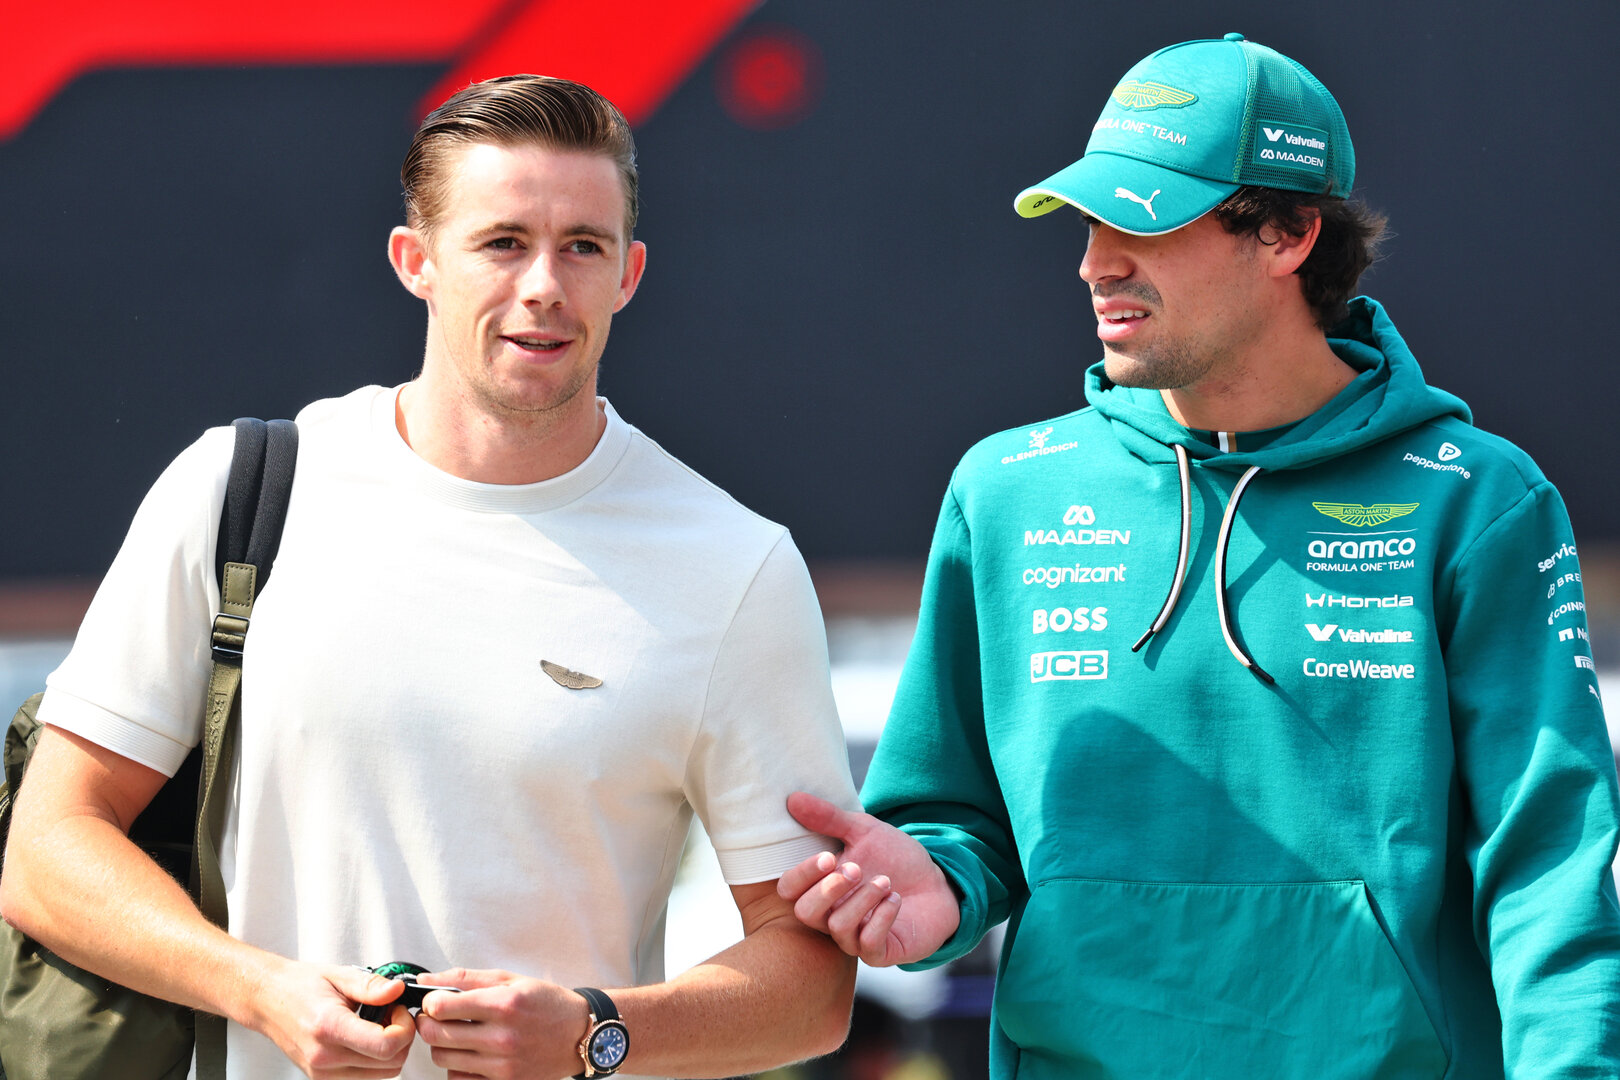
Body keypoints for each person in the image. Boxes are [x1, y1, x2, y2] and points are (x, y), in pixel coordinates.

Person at [779, 34, 1620, 1078]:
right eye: (1089, 220)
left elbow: (1549, 869)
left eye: (1143, 219)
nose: (1095, 261)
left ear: (1288, 233)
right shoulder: (1006, 491)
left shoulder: (1478, 499)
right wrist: (935, 894)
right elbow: (953, 821)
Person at [0, 74, 859, 1079]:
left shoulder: (735, 565)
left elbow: (811, 984)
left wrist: (594, 1032)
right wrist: (260, 990)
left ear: (628, 273)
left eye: (582, 246)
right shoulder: (239, 492)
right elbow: (47, 850)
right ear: (417, 262)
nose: (544, 283)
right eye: (502, 242)